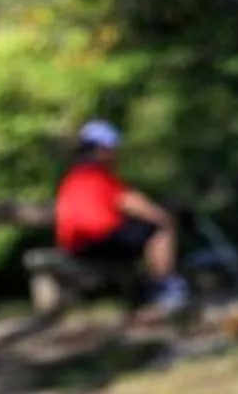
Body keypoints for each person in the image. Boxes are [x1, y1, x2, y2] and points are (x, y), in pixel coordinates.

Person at [53, 120, 186, 310]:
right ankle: (166, 285)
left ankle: (149, 289)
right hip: (98, 241)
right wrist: (164, 217)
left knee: (138, 232)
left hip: (75, 245)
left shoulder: (74, 177)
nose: (115, 153)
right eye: (111, 148)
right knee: (160, 227)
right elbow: (131, 202)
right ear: (99, 149)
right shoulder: (100, 176)